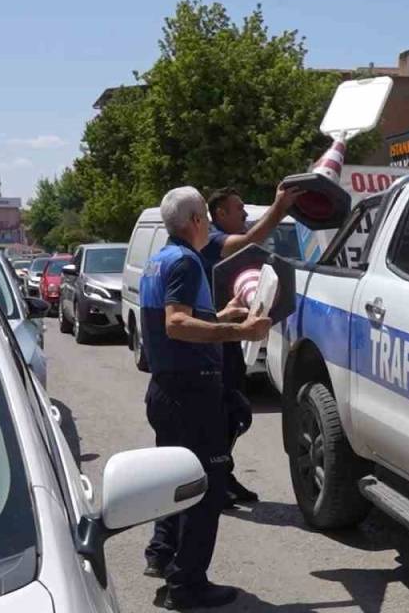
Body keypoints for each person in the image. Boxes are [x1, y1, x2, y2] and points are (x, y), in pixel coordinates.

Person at [139, 186, 272, 609]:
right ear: (198, 220)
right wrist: (241, 331)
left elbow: (171, 320)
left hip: (167, 389)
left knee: (176, 483)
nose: (211, 226)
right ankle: (188, 585)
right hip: (190, 393)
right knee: (205, 488)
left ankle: (165, 561)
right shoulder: (185, 261)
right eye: (208, 219)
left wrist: (221, 314)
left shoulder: (158, 260)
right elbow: (177, 324)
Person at [203, 184, 302, 507]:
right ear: (220, 214)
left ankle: (221, 475)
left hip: (227, 337)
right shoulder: (215, 240)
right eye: (239, 209)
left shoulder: (216, 241)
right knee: (225, 414)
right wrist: (279, 208)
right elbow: (248, 242)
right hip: (215, 342)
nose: (245, 214)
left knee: (235, 412)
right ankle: (214, 480)